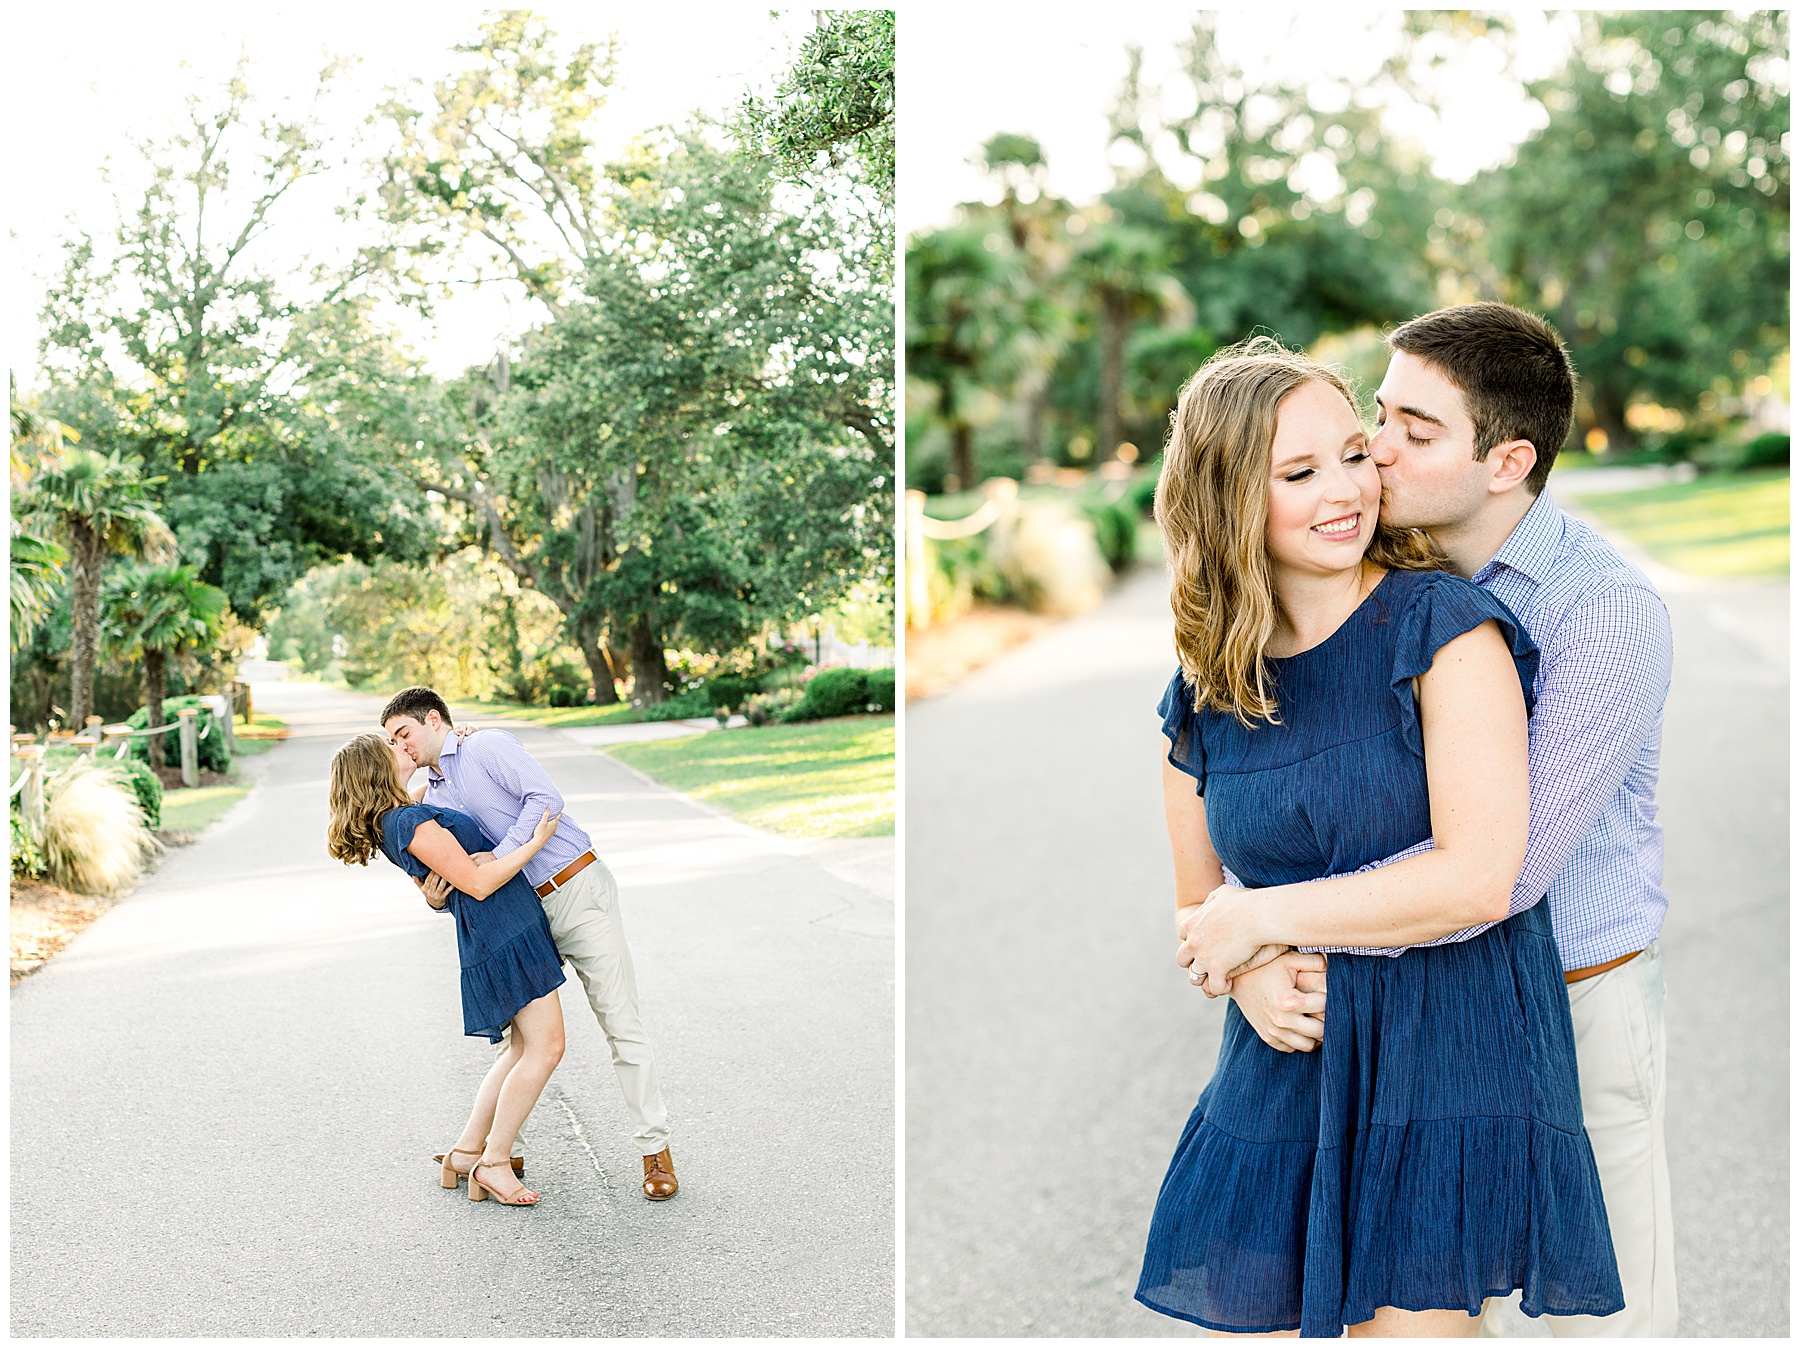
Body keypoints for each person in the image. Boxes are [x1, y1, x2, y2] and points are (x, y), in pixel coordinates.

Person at [1134, 338, 1623, 1336]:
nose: (1347, 489)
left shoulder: (1443, 627)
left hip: (1448, 1045)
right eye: (1300, 473)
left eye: (1354, 454)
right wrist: (1249, 969)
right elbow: (1200, 905)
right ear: (1230, 500)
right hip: (1290, 1064)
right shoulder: (1204, 691)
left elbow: (1481, 877)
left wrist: (1261, 919)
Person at [380, 687, 679, 1202]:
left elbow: (547, 801)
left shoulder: (486, 746)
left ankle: (655, 1151)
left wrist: (496, 857)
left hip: (575, 888)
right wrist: (435, 898)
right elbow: (446, 867)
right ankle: (495, 1150)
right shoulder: (428, 795)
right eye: (390, 741)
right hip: (519, 916)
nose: (399, 747)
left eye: (403, 733)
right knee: (522, 1041)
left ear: (434, 720)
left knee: (620, 1024)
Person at [326, 732, 566, 1206]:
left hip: (497, 930)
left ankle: (466, 1152)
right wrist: (534, 842)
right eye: (391, 746)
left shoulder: (397, 817)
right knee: (546, 1048)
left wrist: (459, 745)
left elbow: (437, 800)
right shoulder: (408, 821)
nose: (403, 747)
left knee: (522, 1050)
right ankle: (494, 1162)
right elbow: (477, 882)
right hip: (503, 931)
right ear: (378, 768)